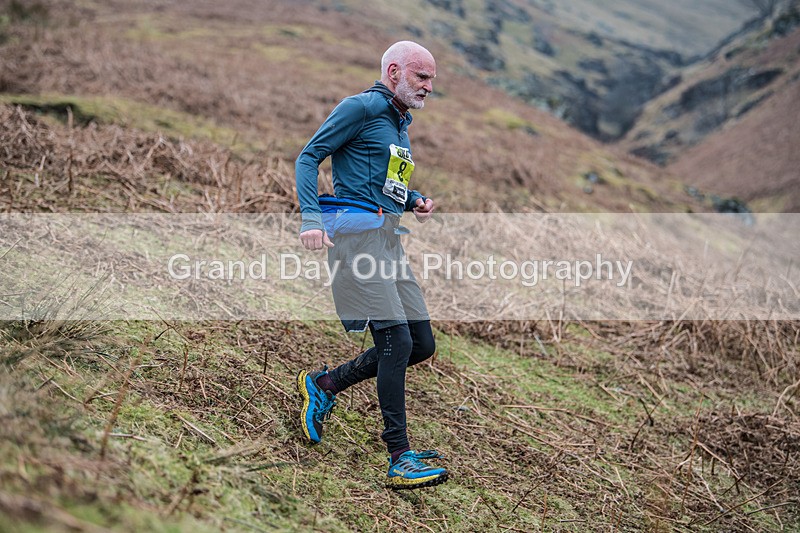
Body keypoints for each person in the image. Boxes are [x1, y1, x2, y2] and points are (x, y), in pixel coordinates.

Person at [294, 41, 448, 490]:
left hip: (389, 242)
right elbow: (309, 157)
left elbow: (386, 180)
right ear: (395, 71)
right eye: (422, 77)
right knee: (395, 340)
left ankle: (325, 384)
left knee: (420, 344)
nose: (429, 86)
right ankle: (399, 457)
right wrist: (310, 218)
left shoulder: (400, 123)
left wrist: (413, 197)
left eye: (432, 78)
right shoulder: (359, 107)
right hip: (358, 241)